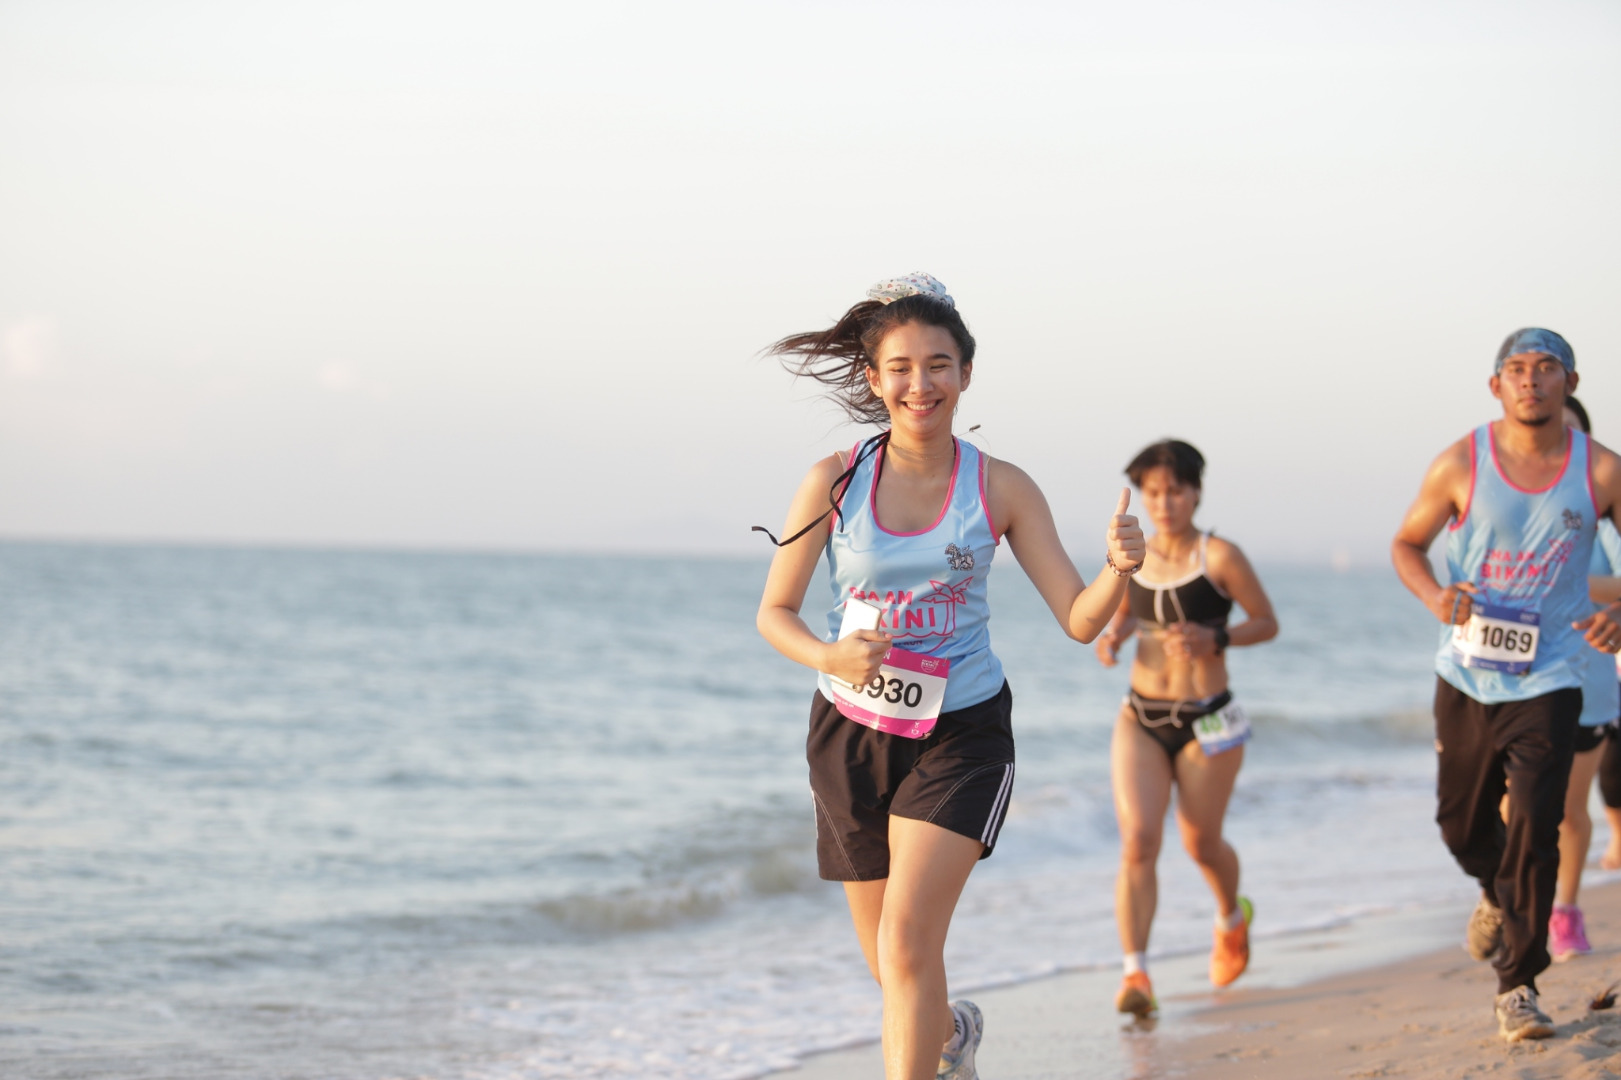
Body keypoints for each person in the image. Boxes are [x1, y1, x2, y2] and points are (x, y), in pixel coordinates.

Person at [754, 273, 1146, 1080]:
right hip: (849, 735)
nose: (919, 383)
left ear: (965, 373)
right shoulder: (831, 479)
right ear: (873, 380)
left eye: (938, 364)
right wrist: (832, 657)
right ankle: (948, 1041)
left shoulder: (998, 486)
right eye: (900, 367)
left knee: (905, 945)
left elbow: (1078, 620)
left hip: (960, 734)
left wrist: (1118, 569)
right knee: (893, 968)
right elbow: (775, 614)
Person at [1391, 328, 1621, 1042]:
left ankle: (1517, 985)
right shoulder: (1461, 461)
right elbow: (1405, 545)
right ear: (1495, 386)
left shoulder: (1603, 472)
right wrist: (1433, 595)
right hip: (1463, 673)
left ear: (1570, 384)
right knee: (1459, 825)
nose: (1530, 380)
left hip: (1550, 675)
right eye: (1516, 369)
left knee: (1534, 822)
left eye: (1545, 368)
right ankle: (1493, 890)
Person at [1094, 439, 1278, 1018]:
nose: (1164, 502)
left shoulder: (1219, 556)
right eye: (1153, 492)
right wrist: (1115, 634)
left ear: (1196, 492)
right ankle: (1136, 975)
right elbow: (1127, 606)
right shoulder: (1134, 552)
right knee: (1139, 841)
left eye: (1175, 490)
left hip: (1208, 718)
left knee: (1200, 841)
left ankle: (1230, 918)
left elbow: (1266, 622)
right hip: (1141, 717)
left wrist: (1213, 638)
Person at [1546, 396, 1621, 960]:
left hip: (1590, 685)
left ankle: (1564, 911)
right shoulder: (1513, 508)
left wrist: (1567, 580)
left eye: (1569, 436)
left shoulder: (1605, 514)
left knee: (1570, 812)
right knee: (1510, 806)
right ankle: (1514, 895)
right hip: (1514, 681)